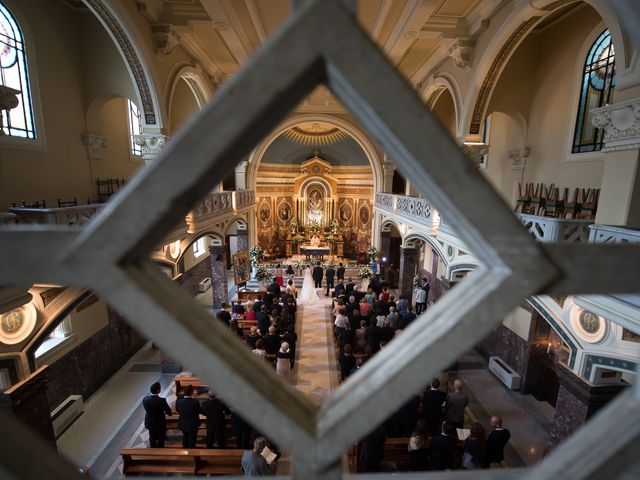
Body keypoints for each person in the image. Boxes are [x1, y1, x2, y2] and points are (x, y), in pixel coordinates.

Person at [142, 381, 172, 448]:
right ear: (158, 390)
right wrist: (167, 413)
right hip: (160, 422)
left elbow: (146, 408)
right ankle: (160, 450)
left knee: (152, 437)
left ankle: (153, 450)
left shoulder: (145, 399)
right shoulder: (162, 400)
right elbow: (169, 412)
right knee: (161, 437)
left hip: (150, 421)